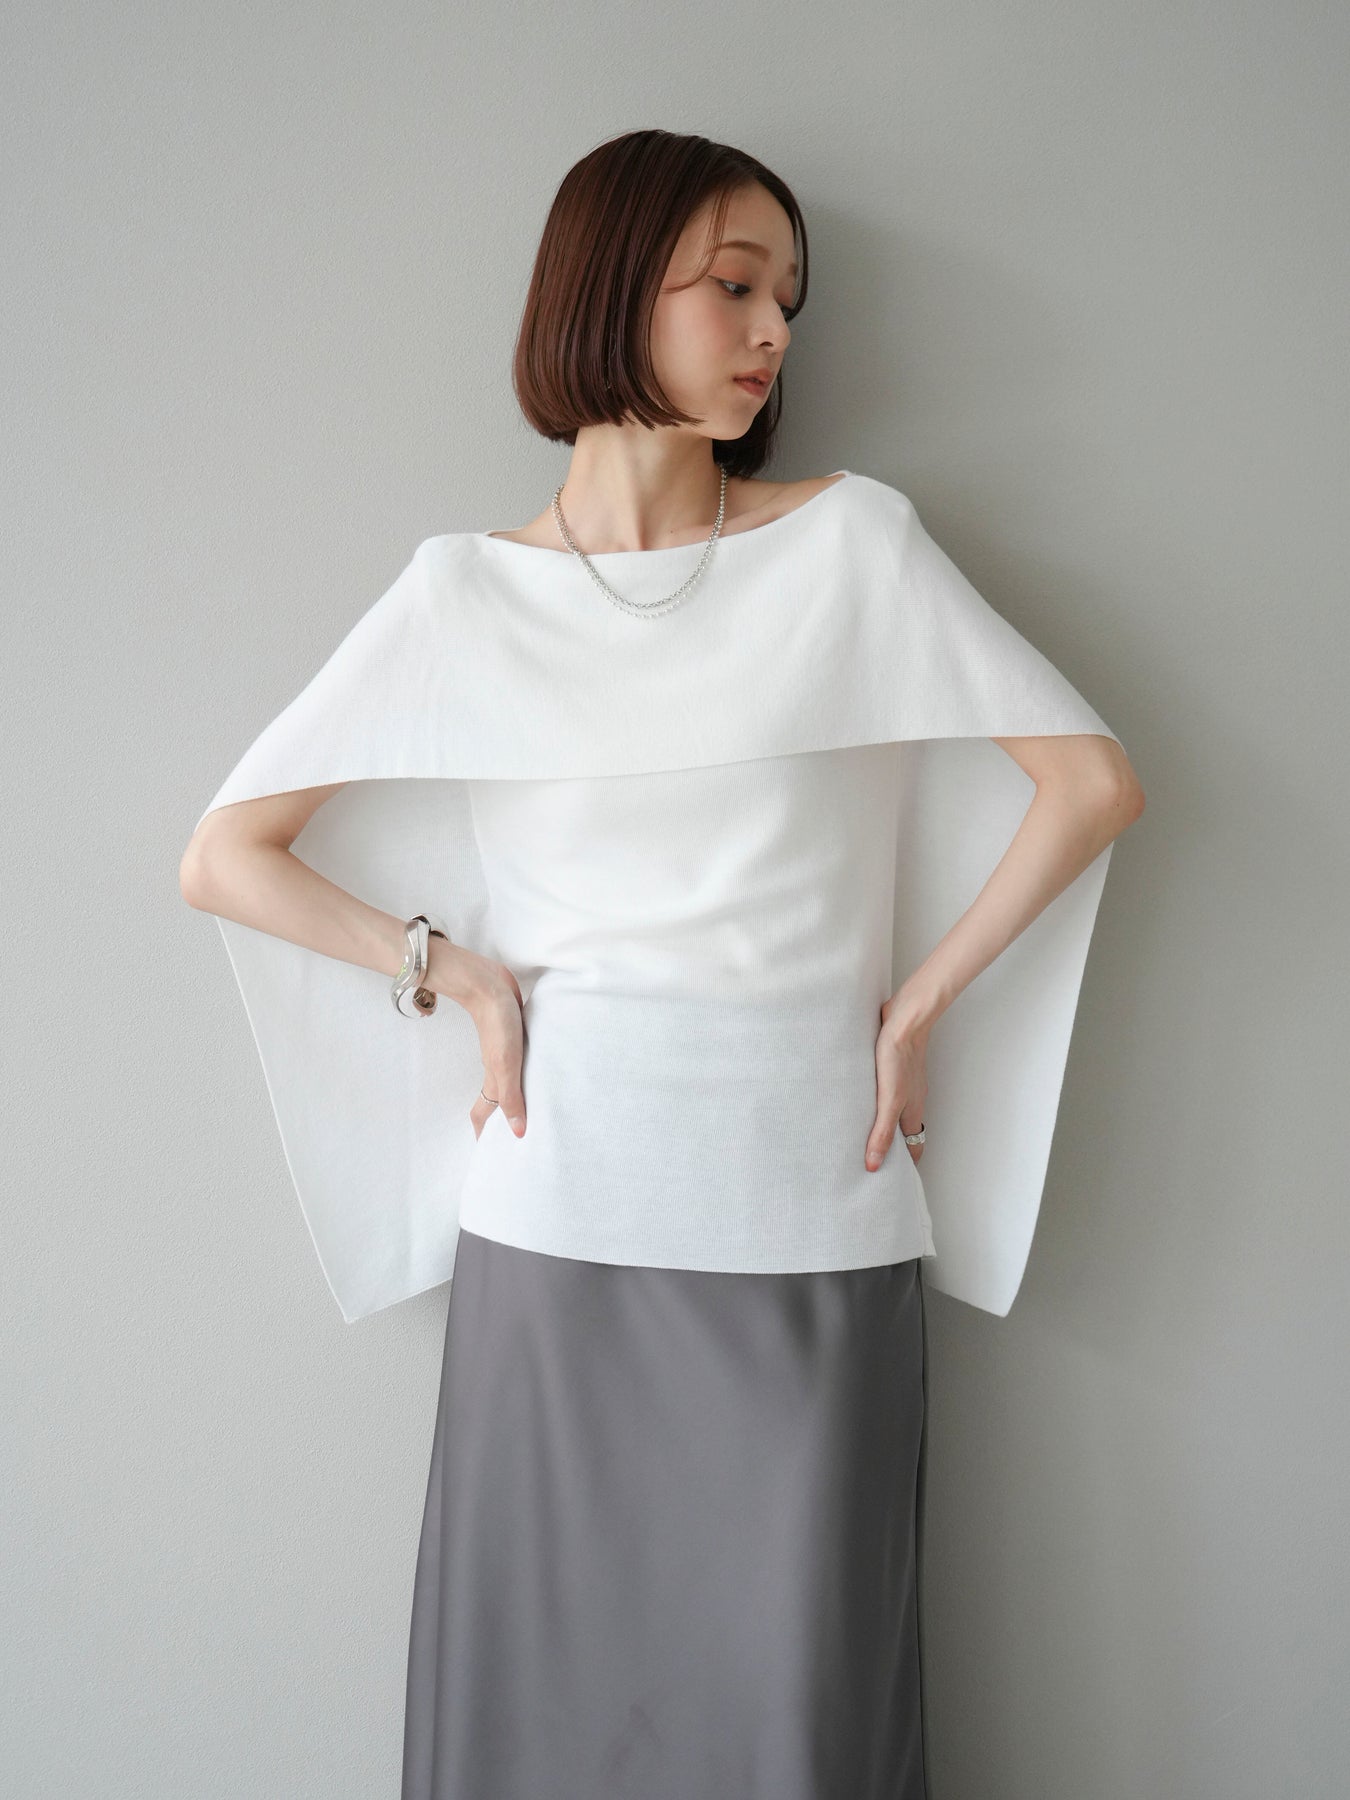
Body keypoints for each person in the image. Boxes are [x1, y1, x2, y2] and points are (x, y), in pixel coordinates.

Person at [180, 128, 1144, 1800]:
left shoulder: (850, 546)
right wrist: (454, 972)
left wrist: (918, 1003)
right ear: (613, 287)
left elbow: (1091, 785)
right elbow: (224, 857)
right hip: (559, 1216)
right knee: (541, 1718)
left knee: (802, 1719)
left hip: (809, 1203)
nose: (774, 333)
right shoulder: (461, 595)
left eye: (789, 300)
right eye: (734, 287)